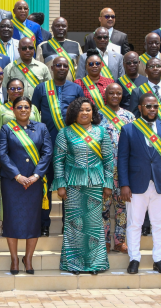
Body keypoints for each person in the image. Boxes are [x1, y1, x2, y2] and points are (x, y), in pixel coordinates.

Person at [118, 93, 161, 274]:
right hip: (136, 184)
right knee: (134, 223)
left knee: (160, 224)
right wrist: (124, 184)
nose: (152, 109)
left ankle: (158, 259)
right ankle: (134, 258)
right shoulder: (129, 129)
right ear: (140, 108)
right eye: (148, 106)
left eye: (155, 106)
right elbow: (122, 159)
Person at [52, 97, 114, 274]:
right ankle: (74, 264)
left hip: (95, 183)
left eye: (88, 110)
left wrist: (108, 183)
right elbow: (58, 160)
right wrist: (61, 184)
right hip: (73, 184)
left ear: (93, 112)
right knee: (74, 225)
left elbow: (109, 160)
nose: (85, 113)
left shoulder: (101, 132)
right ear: (74, 113)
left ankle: (95, 264)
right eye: (81, 110)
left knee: (94, 225)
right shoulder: (65, 133)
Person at [0, 96, 53, 275]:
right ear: (13, 110)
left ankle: (28, 258)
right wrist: (17, 175)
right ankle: (14, 258)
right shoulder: (6, 129)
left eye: (26, 107)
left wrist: (36, 175)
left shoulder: (41, 128)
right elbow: (2, 154)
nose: (23, 110)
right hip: (12, 182)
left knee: (33, 220)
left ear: (31, 110)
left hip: (34, 182)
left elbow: (47, 152)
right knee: (12, 219)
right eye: (19, 107)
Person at [32, 56, 84, 236]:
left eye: (65, 66)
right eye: (58, 65)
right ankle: (44, 223)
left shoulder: (76, 88)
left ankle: (67, 223)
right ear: (52, 68)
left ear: (69, 68)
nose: (62, 68)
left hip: (70, 144)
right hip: (47, 144)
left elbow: (81, 115)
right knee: (45, 184)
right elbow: (34, 116)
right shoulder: (41, 88)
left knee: (69, 185)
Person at [98, 83, 135, 253]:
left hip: (123, 171)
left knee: (122, 208)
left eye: (118, 93)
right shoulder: (97, 115)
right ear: (105, 95)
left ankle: (119, 241)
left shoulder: (129, 116)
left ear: (122, 96)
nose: (114, 96)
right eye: (111, 93)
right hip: (103, 170)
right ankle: (104, 240)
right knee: (103, 208)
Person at [129, 58, 161, 128]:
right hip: (146, 134)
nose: (155, 68)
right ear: (146, 71)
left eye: (158, 66)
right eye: (151, 66)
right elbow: (134, 118)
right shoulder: (137, 92)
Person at [36, 17, 83, 81]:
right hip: (50, 87)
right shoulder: (43, 46)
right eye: (57, 26)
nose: (60, 28)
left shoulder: (76, 45)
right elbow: (39, 69)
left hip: (72, 87)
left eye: (63, 26)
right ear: (52, 28)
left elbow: (81, 68)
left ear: (67, 28)